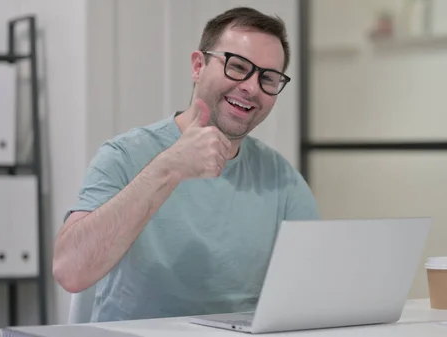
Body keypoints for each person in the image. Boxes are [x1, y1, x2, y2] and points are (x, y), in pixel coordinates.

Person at [52, 6, 320, 322]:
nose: (251, 87)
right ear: (198, 66)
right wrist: (169, 168)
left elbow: (315, 289)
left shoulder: (281, 180)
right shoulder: (124, 156)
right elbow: (70, 270)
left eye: (269, 78)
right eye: (237, 66)